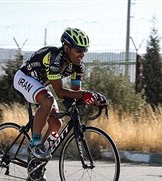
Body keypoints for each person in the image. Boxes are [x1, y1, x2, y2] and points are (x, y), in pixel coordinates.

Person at [13, 27, 106, 161]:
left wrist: (93, 99)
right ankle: (35, 144)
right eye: (79, 50)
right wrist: (84, 94)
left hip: (40, 84)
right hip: (23, 78)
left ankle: (36, 161)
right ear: (67, 47)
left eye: (85, 50)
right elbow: (60, 92)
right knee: (47, 100)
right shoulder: (54, 58)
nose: (82, 54)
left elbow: (75, 91)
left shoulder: (77, 65)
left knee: (56, 123)